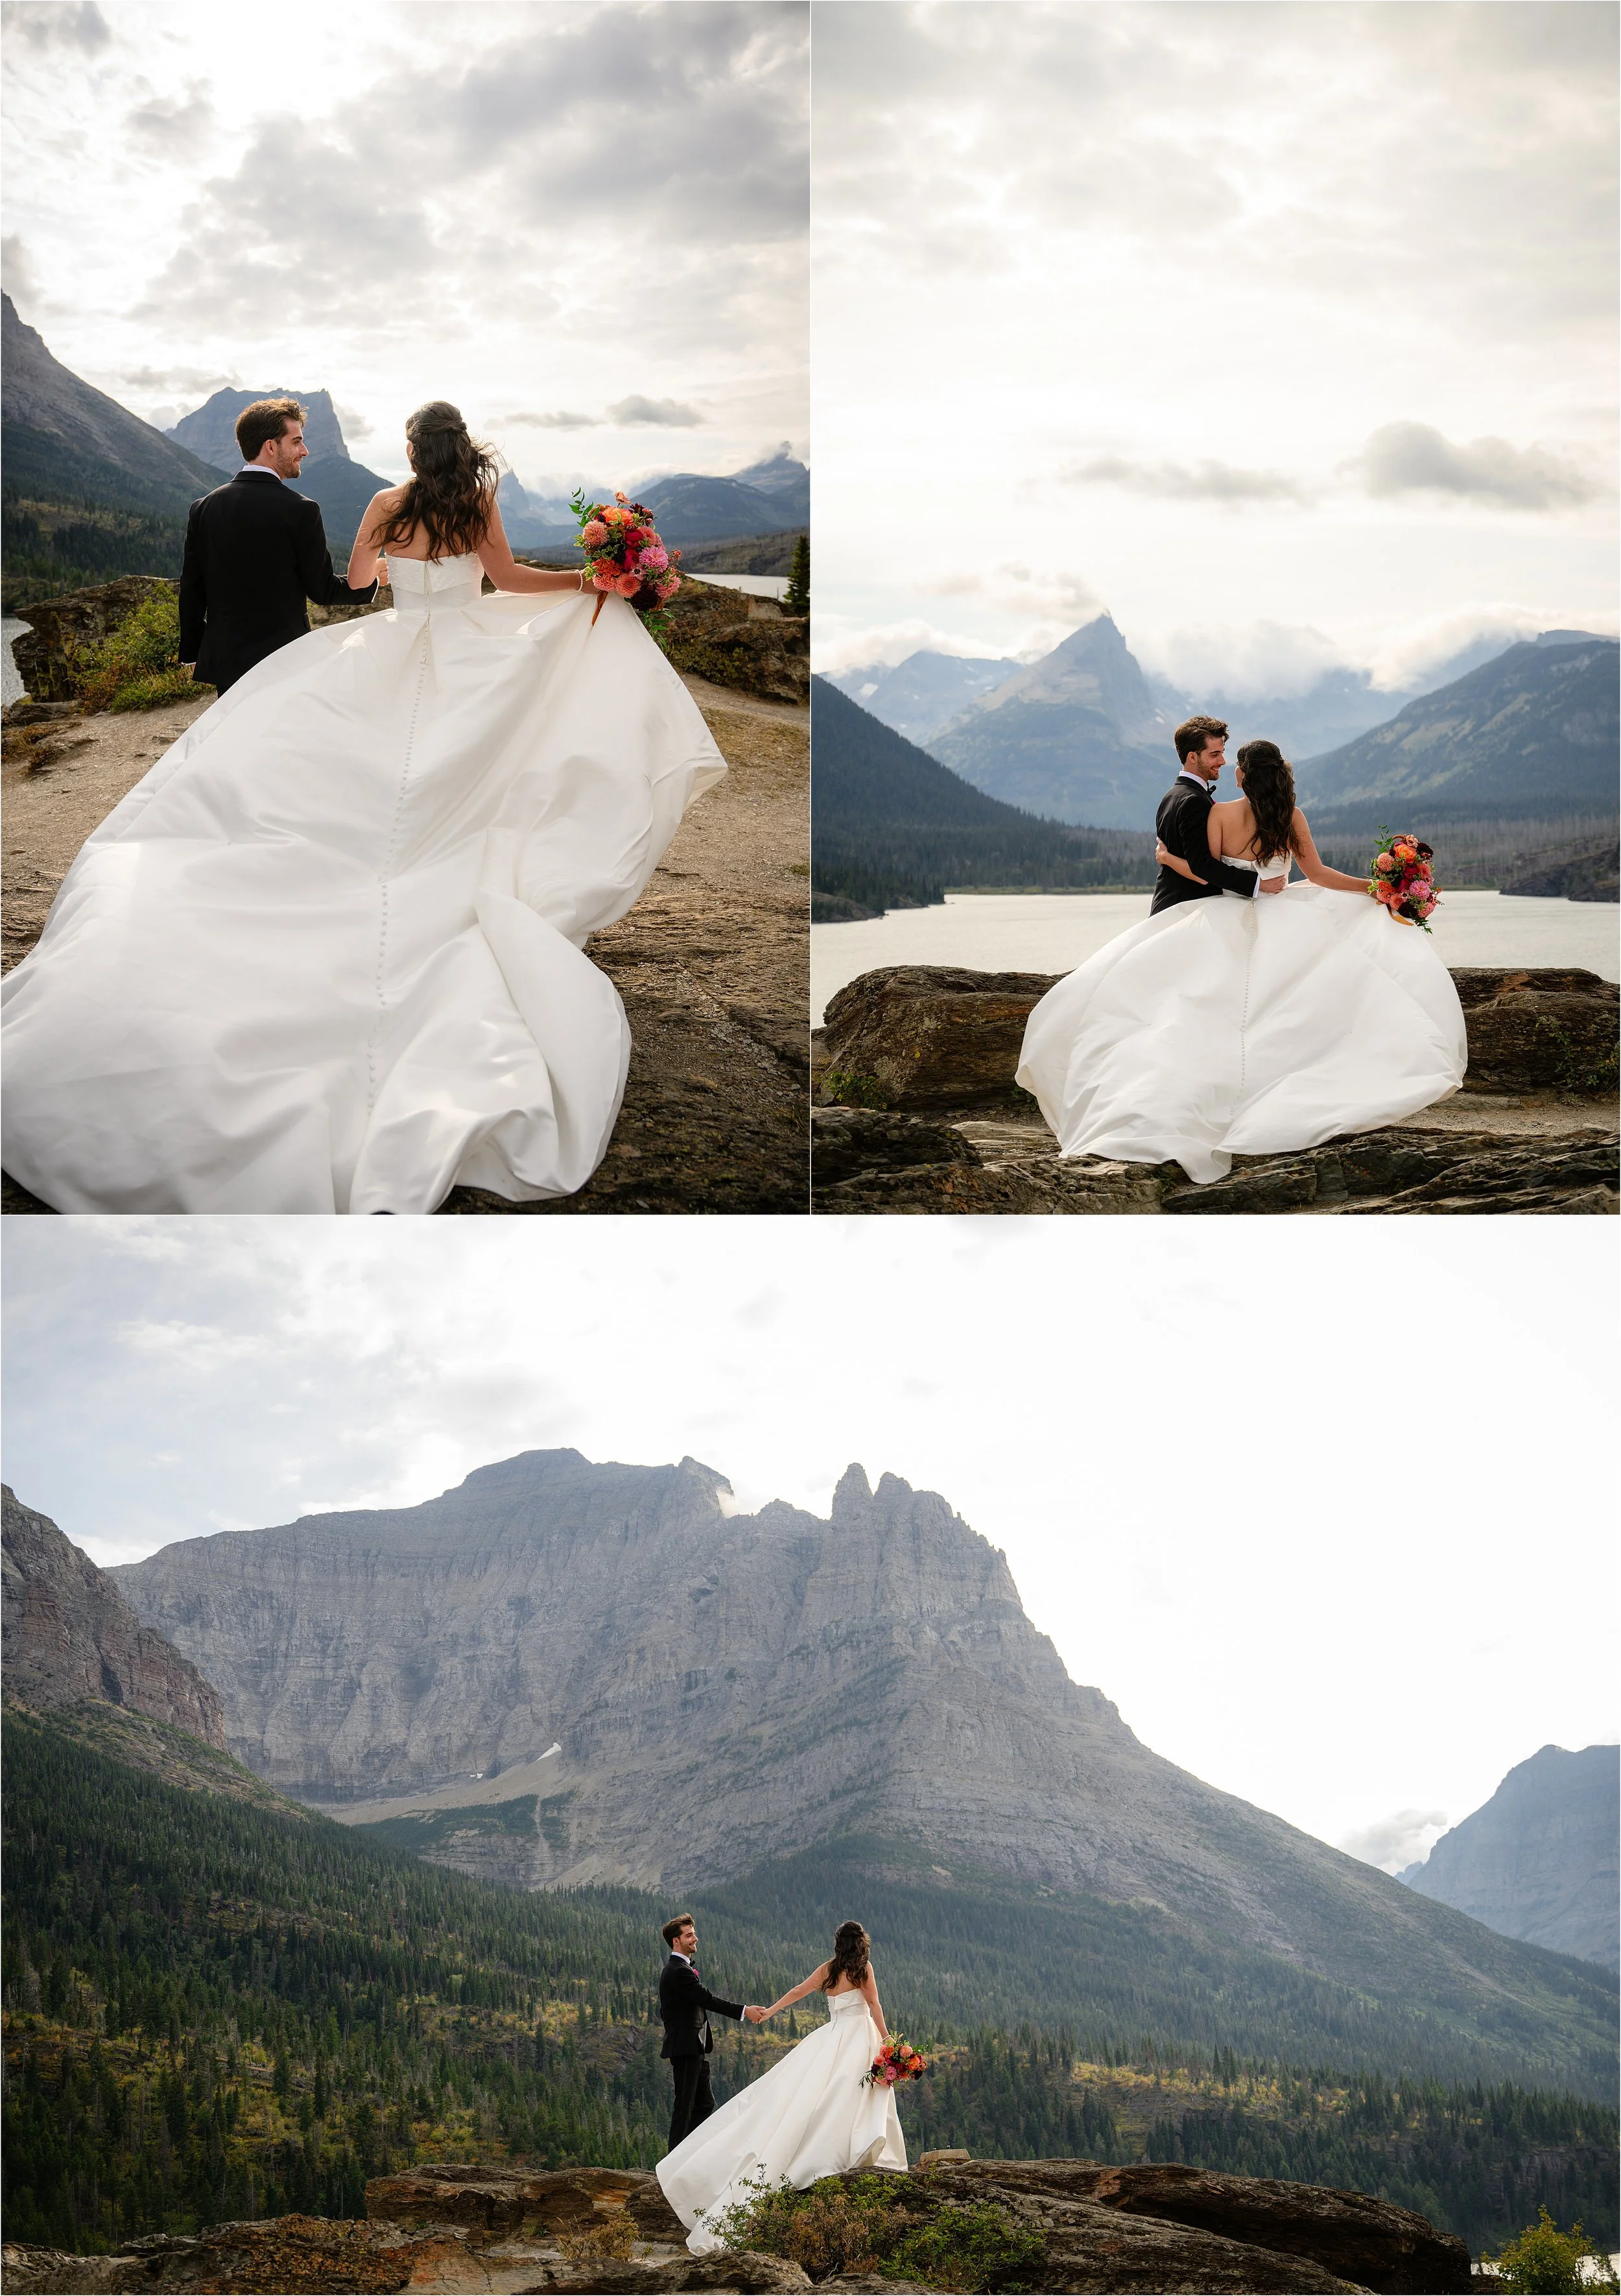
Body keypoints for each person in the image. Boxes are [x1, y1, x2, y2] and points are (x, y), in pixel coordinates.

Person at [1, 401, 726, 1213]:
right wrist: (589, 583)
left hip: (394, 648)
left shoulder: (387, 505)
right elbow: (512, 581)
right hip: (466, 655)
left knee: (357, 778)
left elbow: (351, 584)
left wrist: (389, 571)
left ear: (413, 450)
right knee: (479, 775)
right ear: (464, 449)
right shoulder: (477, 502)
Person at [1016, 728, 1467, 1183]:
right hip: (1281, 916)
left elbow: (1206, 873)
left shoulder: (1219, 815)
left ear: (1241, 776)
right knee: (1284, 1008)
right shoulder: (1292, 817)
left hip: (1222, 917)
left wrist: (1170, 862)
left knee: (1202, 1012)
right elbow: (1319, 874)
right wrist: (1374, 888)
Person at [657, 1919, 906, 2256]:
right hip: (860, 2037)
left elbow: (798, 1991)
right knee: (859, 2094)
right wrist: (888, 2039)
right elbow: (874, 2005)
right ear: (861, 1944)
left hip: (832, 2038)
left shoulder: (829, 1969)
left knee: (819, 2096)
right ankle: (856, 2150)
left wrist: (771, 2011)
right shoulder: (863, 1969)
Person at [178, 397, 381, 692]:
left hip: (228, 663)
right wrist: (372, 581)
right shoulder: (301, 509)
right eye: (296, 441)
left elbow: (192, 589)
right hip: (285, 658)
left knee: (237, 737)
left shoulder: (203, 507)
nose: (305, 451)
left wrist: (193, 652)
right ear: (271, 446)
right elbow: (322, 591)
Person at [658, 1913, 764, 2153]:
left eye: (694, 1933)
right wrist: (745, 2011)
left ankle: (689, 2153)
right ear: (676, 1941)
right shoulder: (677, 1971)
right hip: (685, 2047)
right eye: (689, 1935)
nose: (695, 1938)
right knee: (684, 2106)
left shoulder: (679, 1969)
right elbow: (707, 1999)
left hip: (694, 2047)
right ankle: (675, 2160)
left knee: (705, 2103)